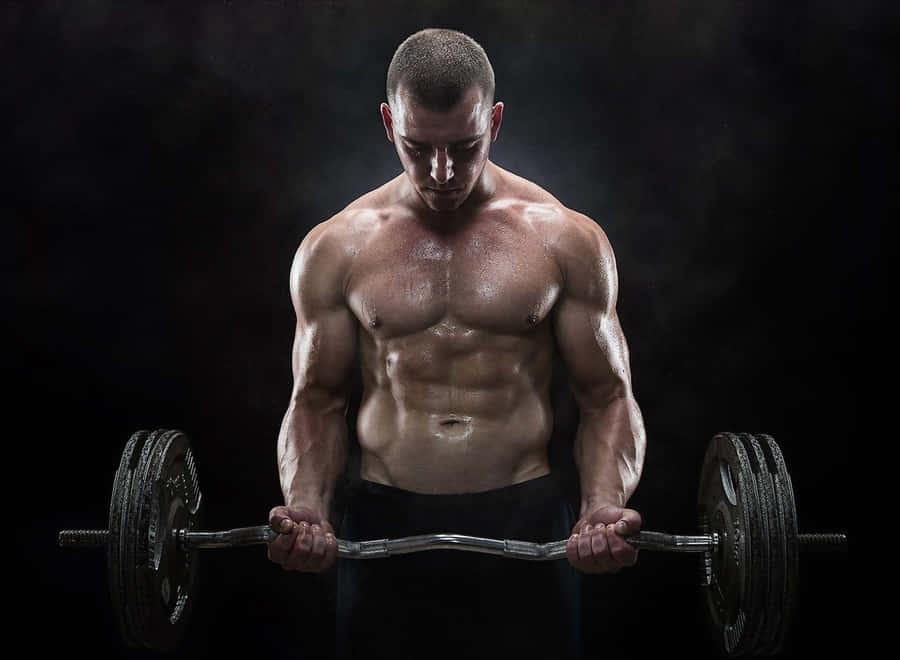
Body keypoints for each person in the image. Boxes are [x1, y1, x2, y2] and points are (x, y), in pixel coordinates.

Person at [266, 28, 646, 659]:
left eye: (465, 148)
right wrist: (307, 509)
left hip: (526, 522)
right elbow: (317, 399)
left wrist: (602, 507)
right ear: (389, 123)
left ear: (493, 121)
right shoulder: (336, 247)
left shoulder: (566, 240)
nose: (442, 172)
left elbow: (607, 395)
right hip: (385, 520)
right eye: (418, 148)